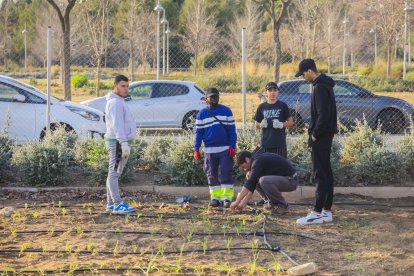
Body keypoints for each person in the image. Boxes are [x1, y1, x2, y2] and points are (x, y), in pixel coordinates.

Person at [294, 59, 338, 225]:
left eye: (303, 74)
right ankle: (326, 210)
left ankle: (317, 212)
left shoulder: (319, 88)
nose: (303, 77)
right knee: (326, 172)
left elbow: (323, 114)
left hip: (321, 136)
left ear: (310, 71)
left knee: (320, 173)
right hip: (327, 134)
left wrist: (315, 134)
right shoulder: (325, 85)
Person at [194, 87, 237, 208]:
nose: (214, 99)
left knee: (226, 173)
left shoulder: (227, 111)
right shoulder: (201, 114)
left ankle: (227, 198)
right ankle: (215, 198)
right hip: (209, 150)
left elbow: (232, 131)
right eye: (211, 97)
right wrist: (196, 148)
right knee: (211, 174)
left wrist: (232, 146)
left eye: (216, 96)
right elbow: (199, 133)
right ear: (206, 99)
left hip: (225, 149)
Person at [104, 75, 137, 214]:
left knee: (113, 173)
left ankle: (111, 204)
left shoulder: (118, 101)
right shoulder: (116, 103)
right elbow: (117, 125)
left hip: (119, 141)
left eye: (127, 86)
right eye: (122, 86)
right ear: (115, 85)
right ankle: (117, 204)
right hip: (118, 142)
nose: (126, 89)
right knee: (114, 173)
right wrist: (123, 143)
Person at [230, 150, 298, 214]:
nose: (245, 169)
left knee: (264, 180)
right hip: (283, 179)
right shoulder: (255, 161)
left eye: (244, 166)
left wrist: (236, 202)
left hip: (291, 180)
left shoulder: (258, 161)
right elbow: (251, 186)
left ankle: (282, 205)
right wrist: (242, 204)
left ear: (247, 160)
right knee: (250, 176)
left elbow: (249, 183)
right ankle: (271, 203)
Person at [253, 82, 294, 159]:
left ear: (278, 92)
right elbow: (256, 125)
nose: (272, 92)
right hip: (265, 144)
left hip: (279, 144)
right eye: (270, 90)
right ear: (266, 93)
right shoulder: (262, 107)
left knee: (280, 168)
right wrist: (261, 125)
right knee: (267, 169)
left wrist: (281, 124)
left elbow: (291, 123)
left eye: (275, 90)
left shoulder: (283, 105)